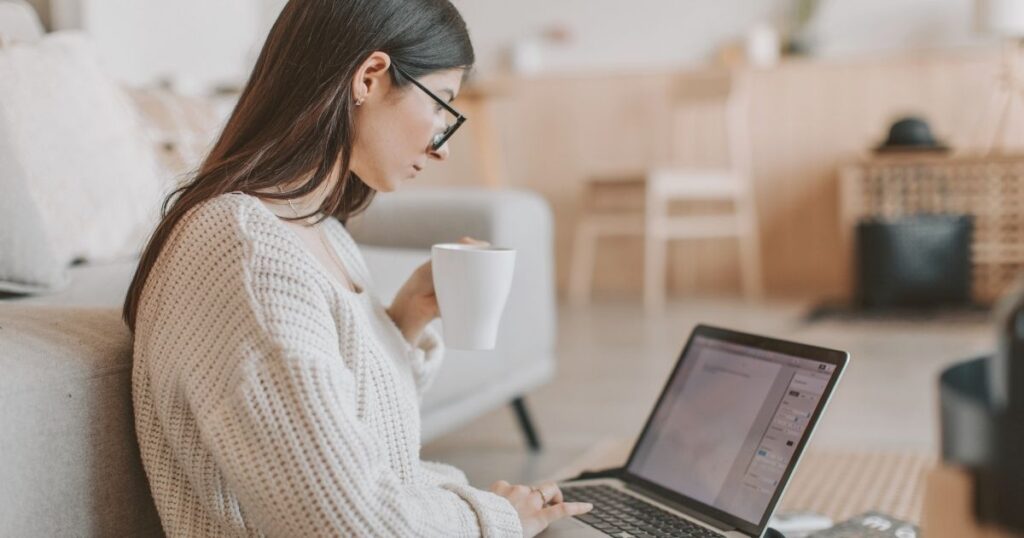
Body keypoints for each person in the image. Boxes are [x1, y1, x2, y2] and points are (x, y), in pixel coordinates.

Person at [122, 0, 592, 536]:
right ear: (369, 77)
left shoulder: (320, 234)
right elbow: (347, 524)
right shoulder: (246, 251)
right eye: (441, 104)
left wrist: (401, 324)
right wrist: (495, 518)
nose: (441, 146)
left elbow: (366, 450)